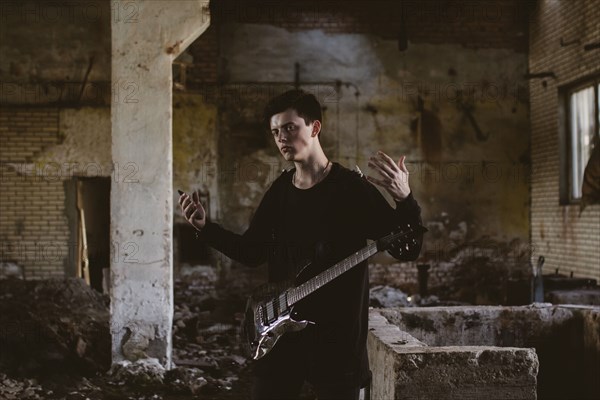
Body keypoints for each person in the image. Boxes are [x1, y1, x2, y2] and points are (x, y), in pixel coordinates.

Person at [179, 89, 424, 399]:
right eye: (275, 131)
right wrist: (206, 228)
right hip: (282, 333)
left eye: (290, 127)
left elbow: (408, 247)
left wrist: (405, 200)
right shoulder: (280, 190)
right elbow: (251, 252)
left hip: (338, 340)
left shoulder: (352, 189)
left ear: (315, 127)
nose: (281, 137)